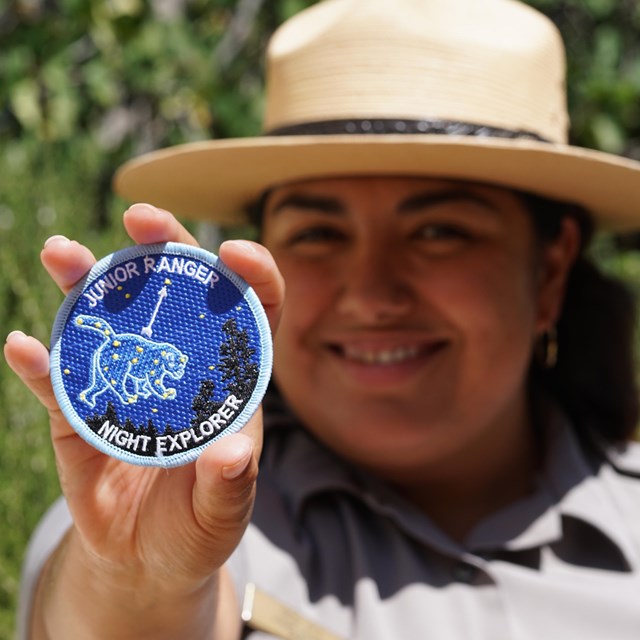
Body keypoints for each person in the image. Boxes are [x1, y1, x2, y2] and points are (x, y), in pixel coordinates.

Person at [7, 0, 640, 637]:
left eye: (440, 231)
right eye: (317, 233)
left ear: (551, 269)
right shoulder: (182, 507)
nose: (368, 294)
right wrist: (142, 584)